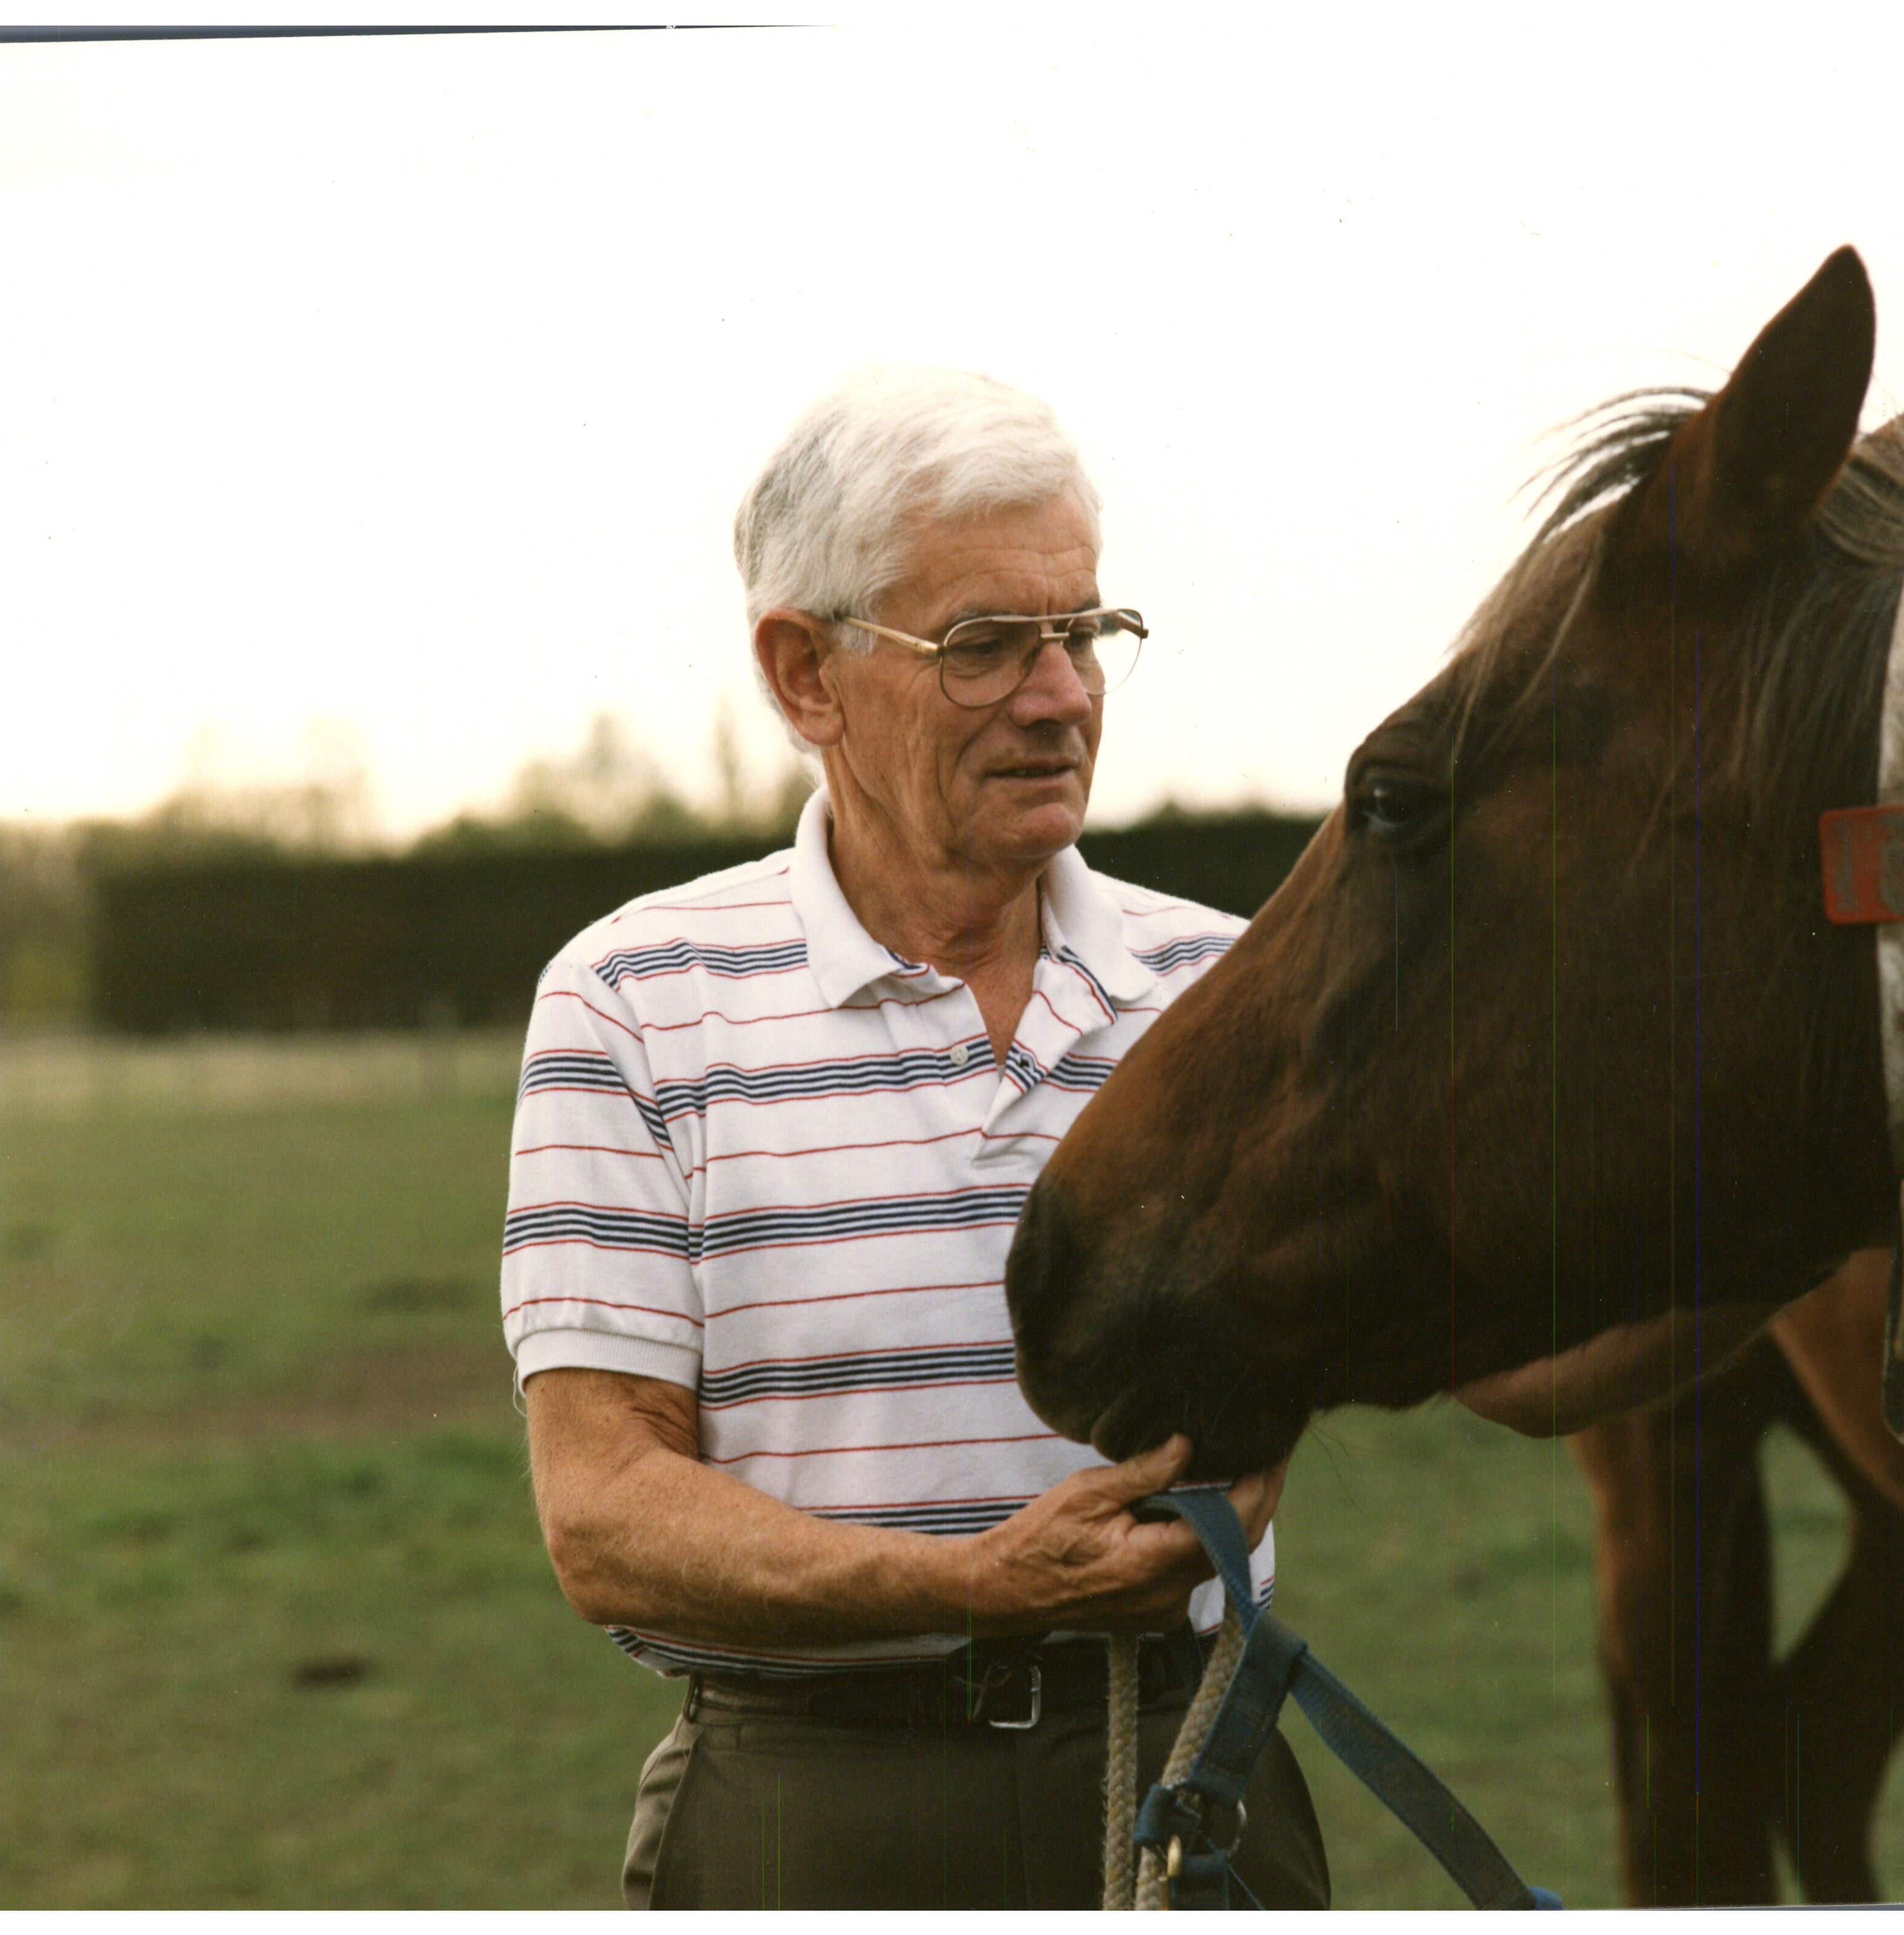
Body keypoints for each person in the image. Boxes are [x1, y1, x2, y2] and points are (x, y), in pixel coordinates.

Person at [500, 365, 1329, 1911]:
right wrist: (973, 1586)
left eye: (1083, 631)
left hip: (1195, 1794)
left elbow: (1507, 1348)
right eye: (986, 645)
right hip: (813, 1816)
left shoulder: (1225, 984)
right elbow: (603, 1511)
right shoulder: (632, 999)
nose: (1063, 692)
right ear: (804, 674)